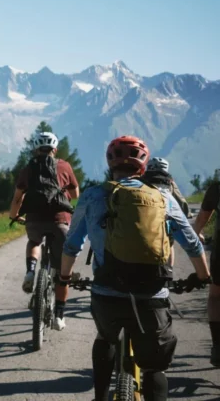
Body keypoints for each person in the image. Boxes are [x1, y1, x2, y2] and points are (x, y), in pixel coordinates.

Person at [60, 136, 211, 401]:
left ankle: (100, 396)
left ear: (110, 163)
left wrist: (64, 276)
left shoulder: (94, 196)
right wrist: (202, 276)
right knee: (155, 368)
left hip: (107, 293)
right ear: (143, 167)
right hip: (151, 296)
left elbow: (71, 245)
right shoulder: (162, 197)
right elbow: (192, 244)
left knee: (105, 338)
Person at [8, 131, 80, 330]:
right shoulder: (64, 166)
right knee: (63, 274)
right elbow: (75, 194)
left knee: (34, 242)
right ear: (55, 149)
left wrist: (14, 215)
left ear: (35, 149)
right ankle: (59, 315)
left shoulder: (28, 169)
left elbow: (17, 198)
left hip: (35, 220)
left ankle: (31, 271)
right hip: (60, 221)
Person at [193, 180, 220, 367]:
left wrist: (196, 233)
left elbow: (202, 219)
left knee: (216, 297)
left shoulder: (217, 188)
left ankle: (218, 345)